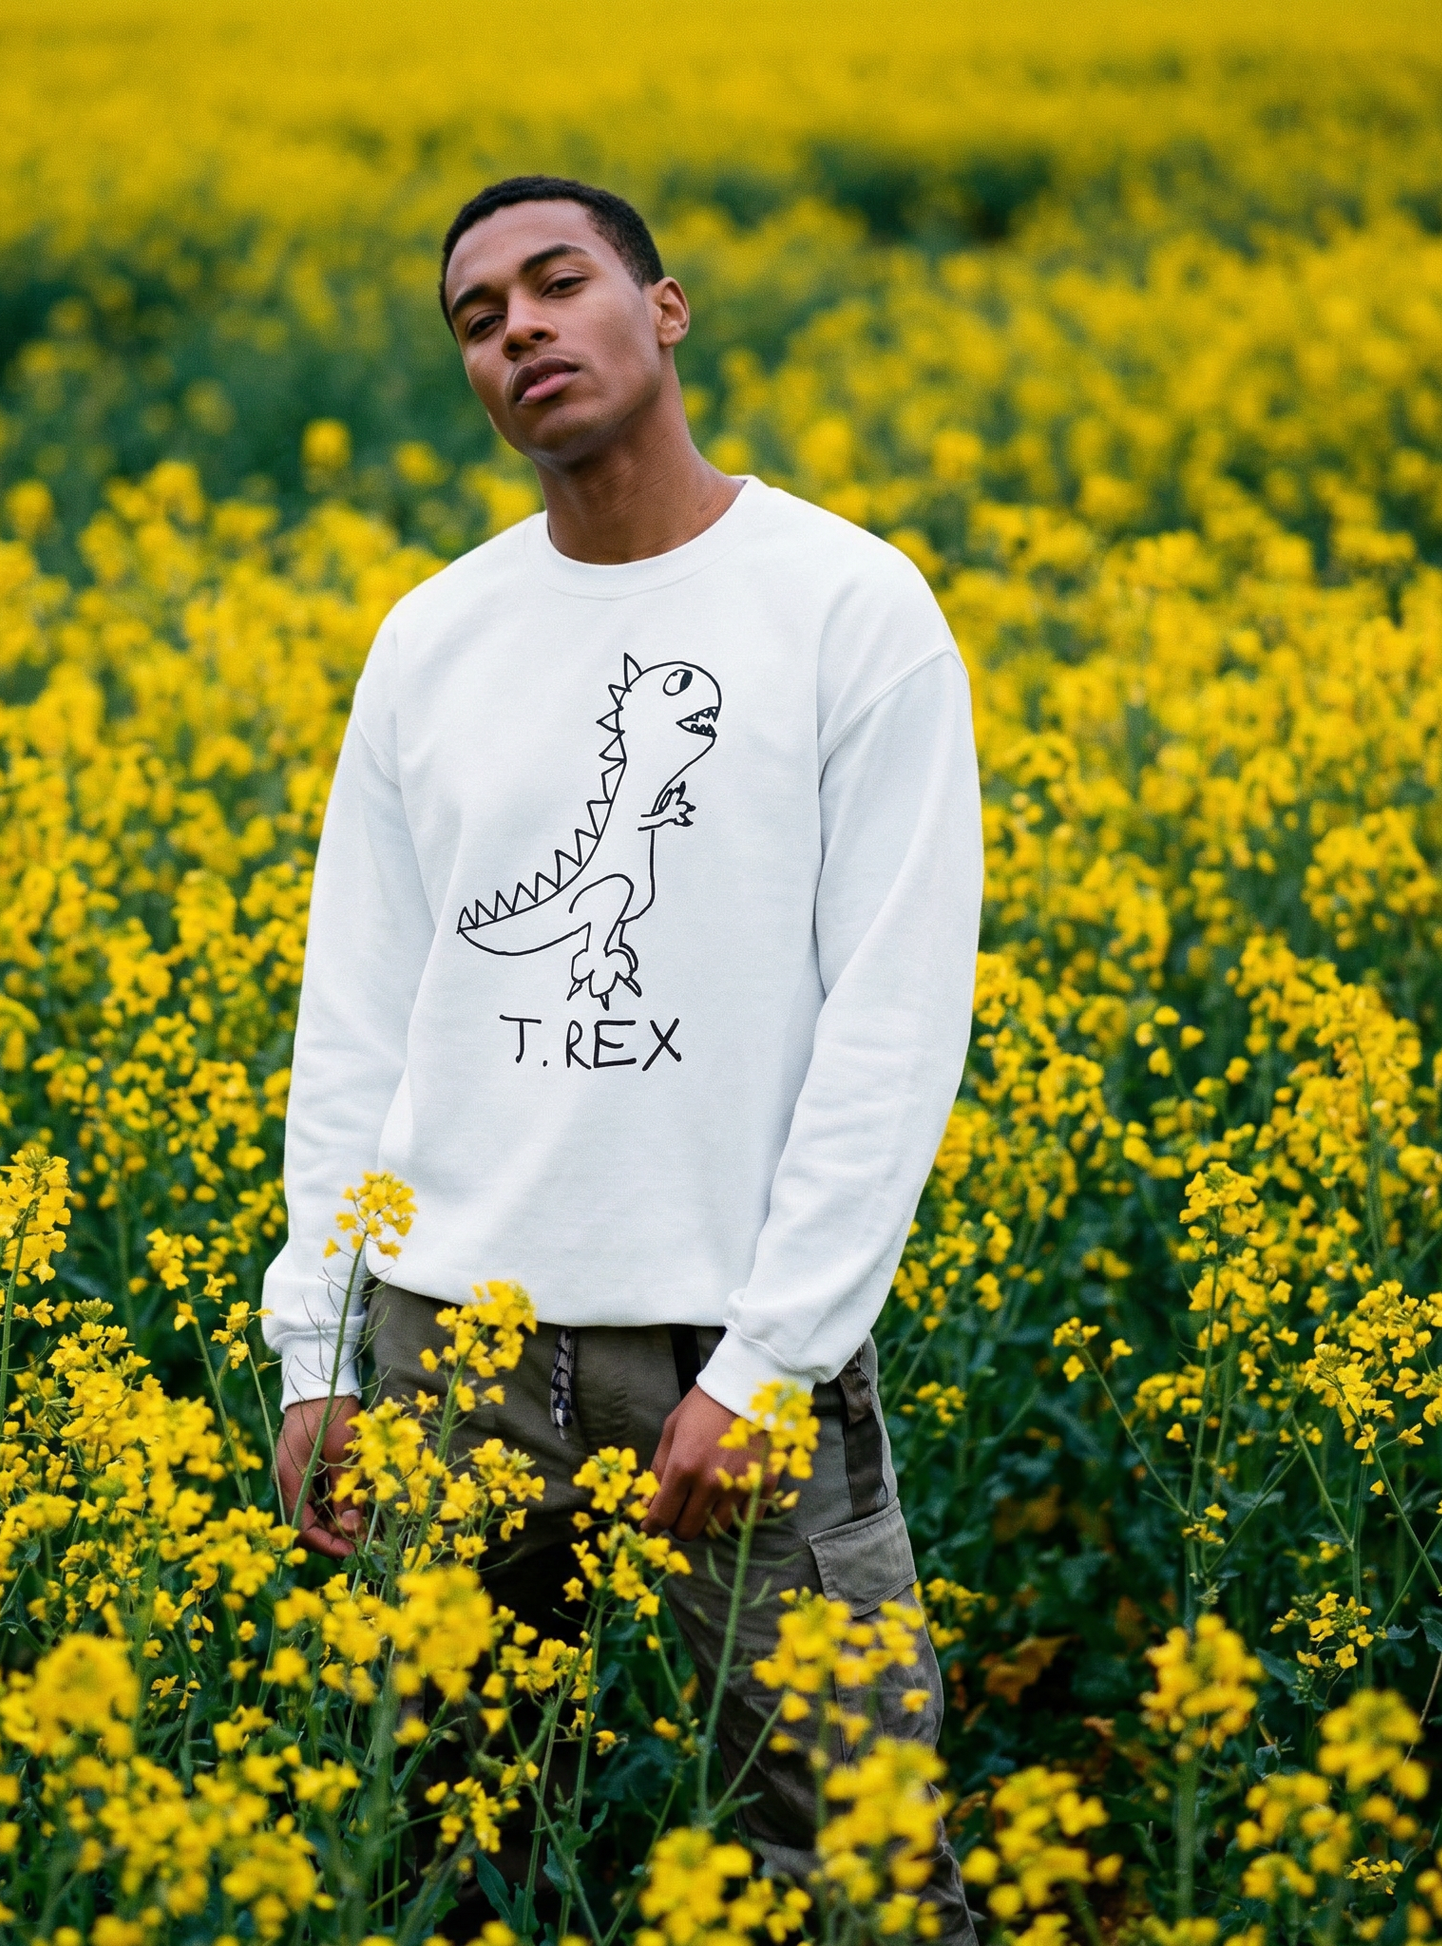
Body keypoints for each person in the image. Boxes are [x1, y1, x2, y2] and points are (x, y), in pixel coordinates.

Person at [263, 174, 982, 1939]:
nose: (517, 326)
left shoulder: (847, 604)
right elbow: (358, 1011)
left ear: (662, 311)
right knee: (438, 1851)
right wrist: (316, 1338)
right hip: (449, 1342)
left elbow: (892, 1018)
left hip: (724, 1355)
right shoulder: (432, 638)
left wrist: (773, 1358)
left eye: (556, 281)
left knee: (862, 1865)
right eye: (475, 314)